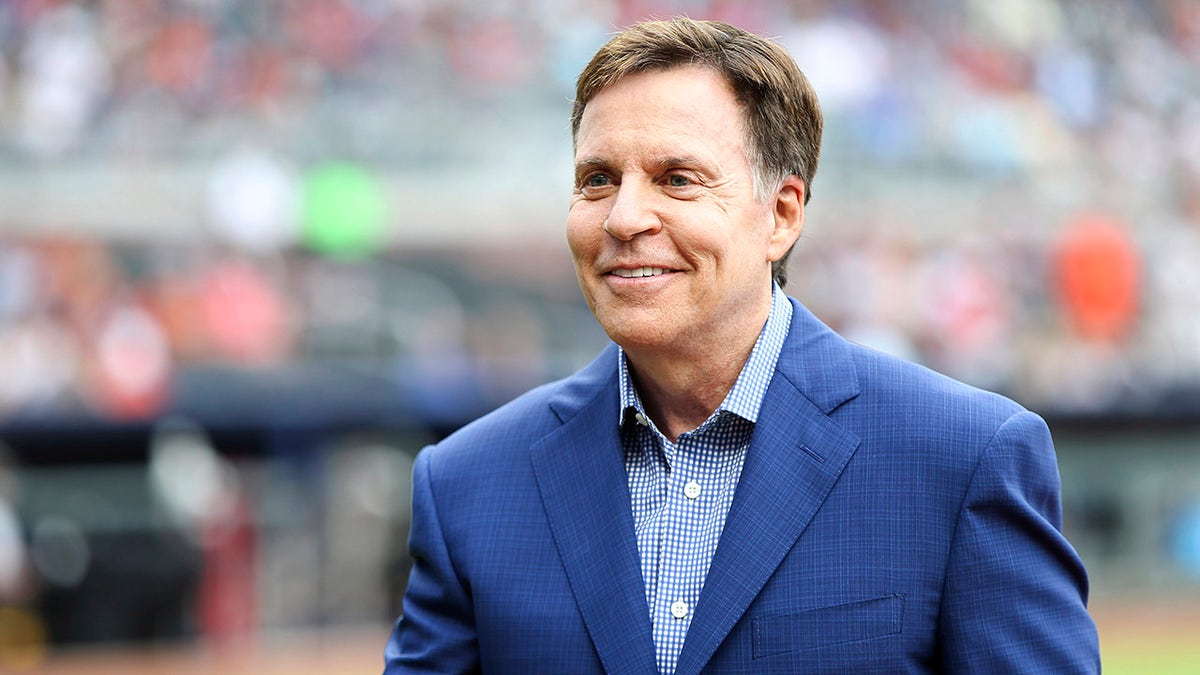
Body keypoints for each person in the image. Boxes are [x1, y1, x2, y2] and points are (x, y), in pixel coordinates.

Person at [384, 17, 1100, 674]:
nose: (625, 216)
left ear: (781, 216)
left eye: (678, 179)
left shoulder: (962, 456)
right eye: (597, 179)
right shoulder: (466, 485)